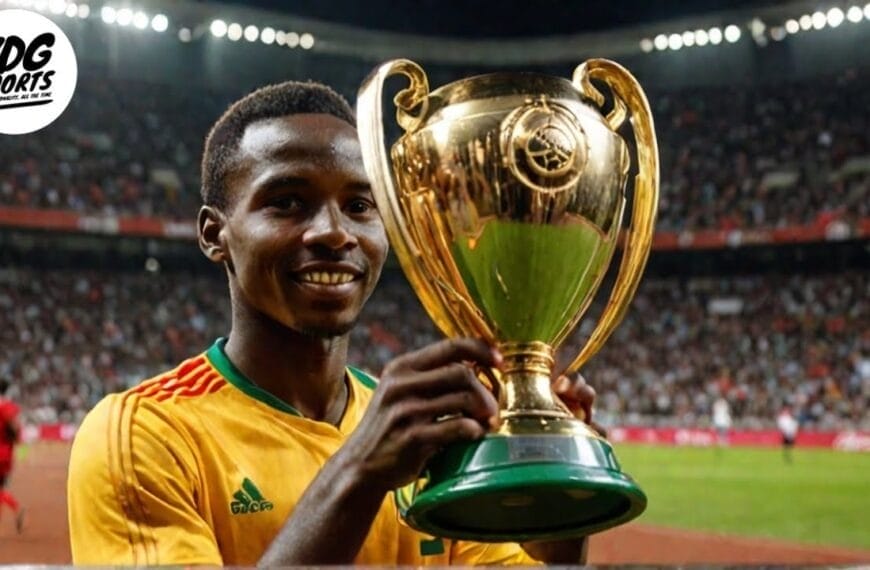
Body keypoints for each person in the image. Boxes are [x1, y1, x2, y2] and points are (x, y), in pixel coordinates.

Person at [67, 81, 598, 565]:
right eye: (288, 202)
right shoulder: (147, 434)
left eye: (360, 204)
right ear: (214, 234)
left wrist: (561, 525)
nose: (334, 232)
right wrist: (360, 474)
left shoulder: (427, 434)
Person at [0, 379, 25, 534]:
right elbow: (15, 426)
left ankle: (16, 507)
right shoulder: (7, 405)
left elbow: (13, 425)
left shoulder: (3, 407)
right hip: (6, 453)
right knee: (1, 487)